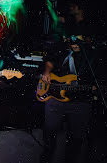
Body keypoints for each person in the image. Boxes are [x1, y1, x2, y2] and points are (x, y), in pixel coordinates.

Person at [39, 35, 95, 163]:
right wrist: (47, 71)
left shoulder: (92, 55)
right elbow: (49, 60)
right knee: (49, 131)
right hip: (55, 98)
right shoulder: (62, 49)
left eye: (79, 40)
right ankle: (47, 155)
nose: (74, 43)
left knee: (76, 138)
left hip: (81, 102)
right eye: (72, 40)